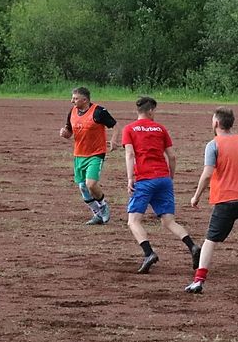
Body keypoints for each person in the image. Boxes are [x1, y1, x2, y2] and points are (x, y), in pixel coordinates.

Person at [186, 107, 238, 294]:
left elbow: (207, 174)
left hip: (226, 200)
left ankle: (199, 280)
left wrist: (196, 196)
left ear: (216, 123)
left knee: (210, 240)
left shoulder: (213, 145)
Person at [122, 97, 201, 273]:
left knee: (133, 221)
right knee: (168, 221)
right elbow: (172, 157)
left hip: (144, 179)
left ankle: (149, 253)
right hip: (163, 178)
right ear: (150, 111)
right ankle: (193, 247)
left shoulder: (129, 129)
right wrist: (169, 177)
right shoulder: (160, 128)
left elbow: (130, 155)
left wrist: (130, 179)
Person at [59, 86, 118, 225]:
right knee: (82, 187)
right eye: (72, 98)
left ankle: (103, 206)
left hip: (96, 154)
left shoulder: (98, 111)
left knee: (90, 184)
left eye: (75, 98)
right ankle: (96, 213)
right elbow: (69, 132)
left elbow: (115, 125)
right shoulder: (72, 112)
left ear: (85, 100)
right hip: (79, 154)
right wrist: (64, 134)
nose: (72, 101)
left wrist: (114, 140)